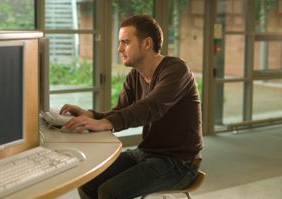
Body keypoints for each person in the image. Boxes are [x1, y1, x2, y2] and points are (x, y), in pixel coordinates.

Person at [60, 15, 203, 199]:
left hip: (179, 163)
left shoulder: (177, 70)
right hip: (146, 152)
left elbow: (152, 107)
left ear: (147, 43)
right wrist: (91, 116)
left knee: (109, 192)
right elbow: (120, 111)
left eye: (125, 42)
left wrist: (105, 122)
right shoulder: (135, 77)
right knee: (88, 182)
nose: (119, 49)